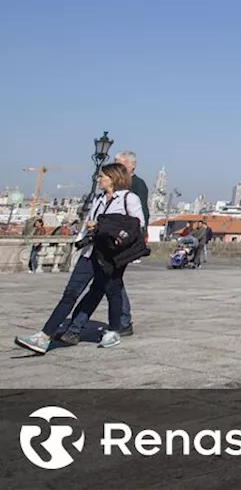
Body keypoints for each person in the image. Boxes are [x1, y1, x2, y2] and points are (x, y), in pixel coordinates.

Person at [15, 163, 145, 354]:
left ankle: (114, 330)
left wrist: (104, 227)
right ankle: (44, 336)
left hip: (112, 255)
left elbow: (137, 224)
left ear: (113, 178)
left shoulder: (129, 198)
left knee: (112, 291)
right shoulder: (99, 199)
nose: (98, 179)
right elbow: (88, 224)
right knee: (71, 293)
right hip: (90, 252)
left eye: (102, 176)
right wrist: (81, 241)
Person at [61, 151, 146, 341]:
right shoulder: (101, 196)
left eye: (118, 164)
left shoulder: (135, 188)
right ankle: (81, 327)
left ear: (129, 167)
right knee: (105, 288)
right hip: (98, 248)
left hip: (117, 248)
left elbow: (138, 220)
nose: (114, 166)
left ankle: (82, 327)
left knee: (105, 288)